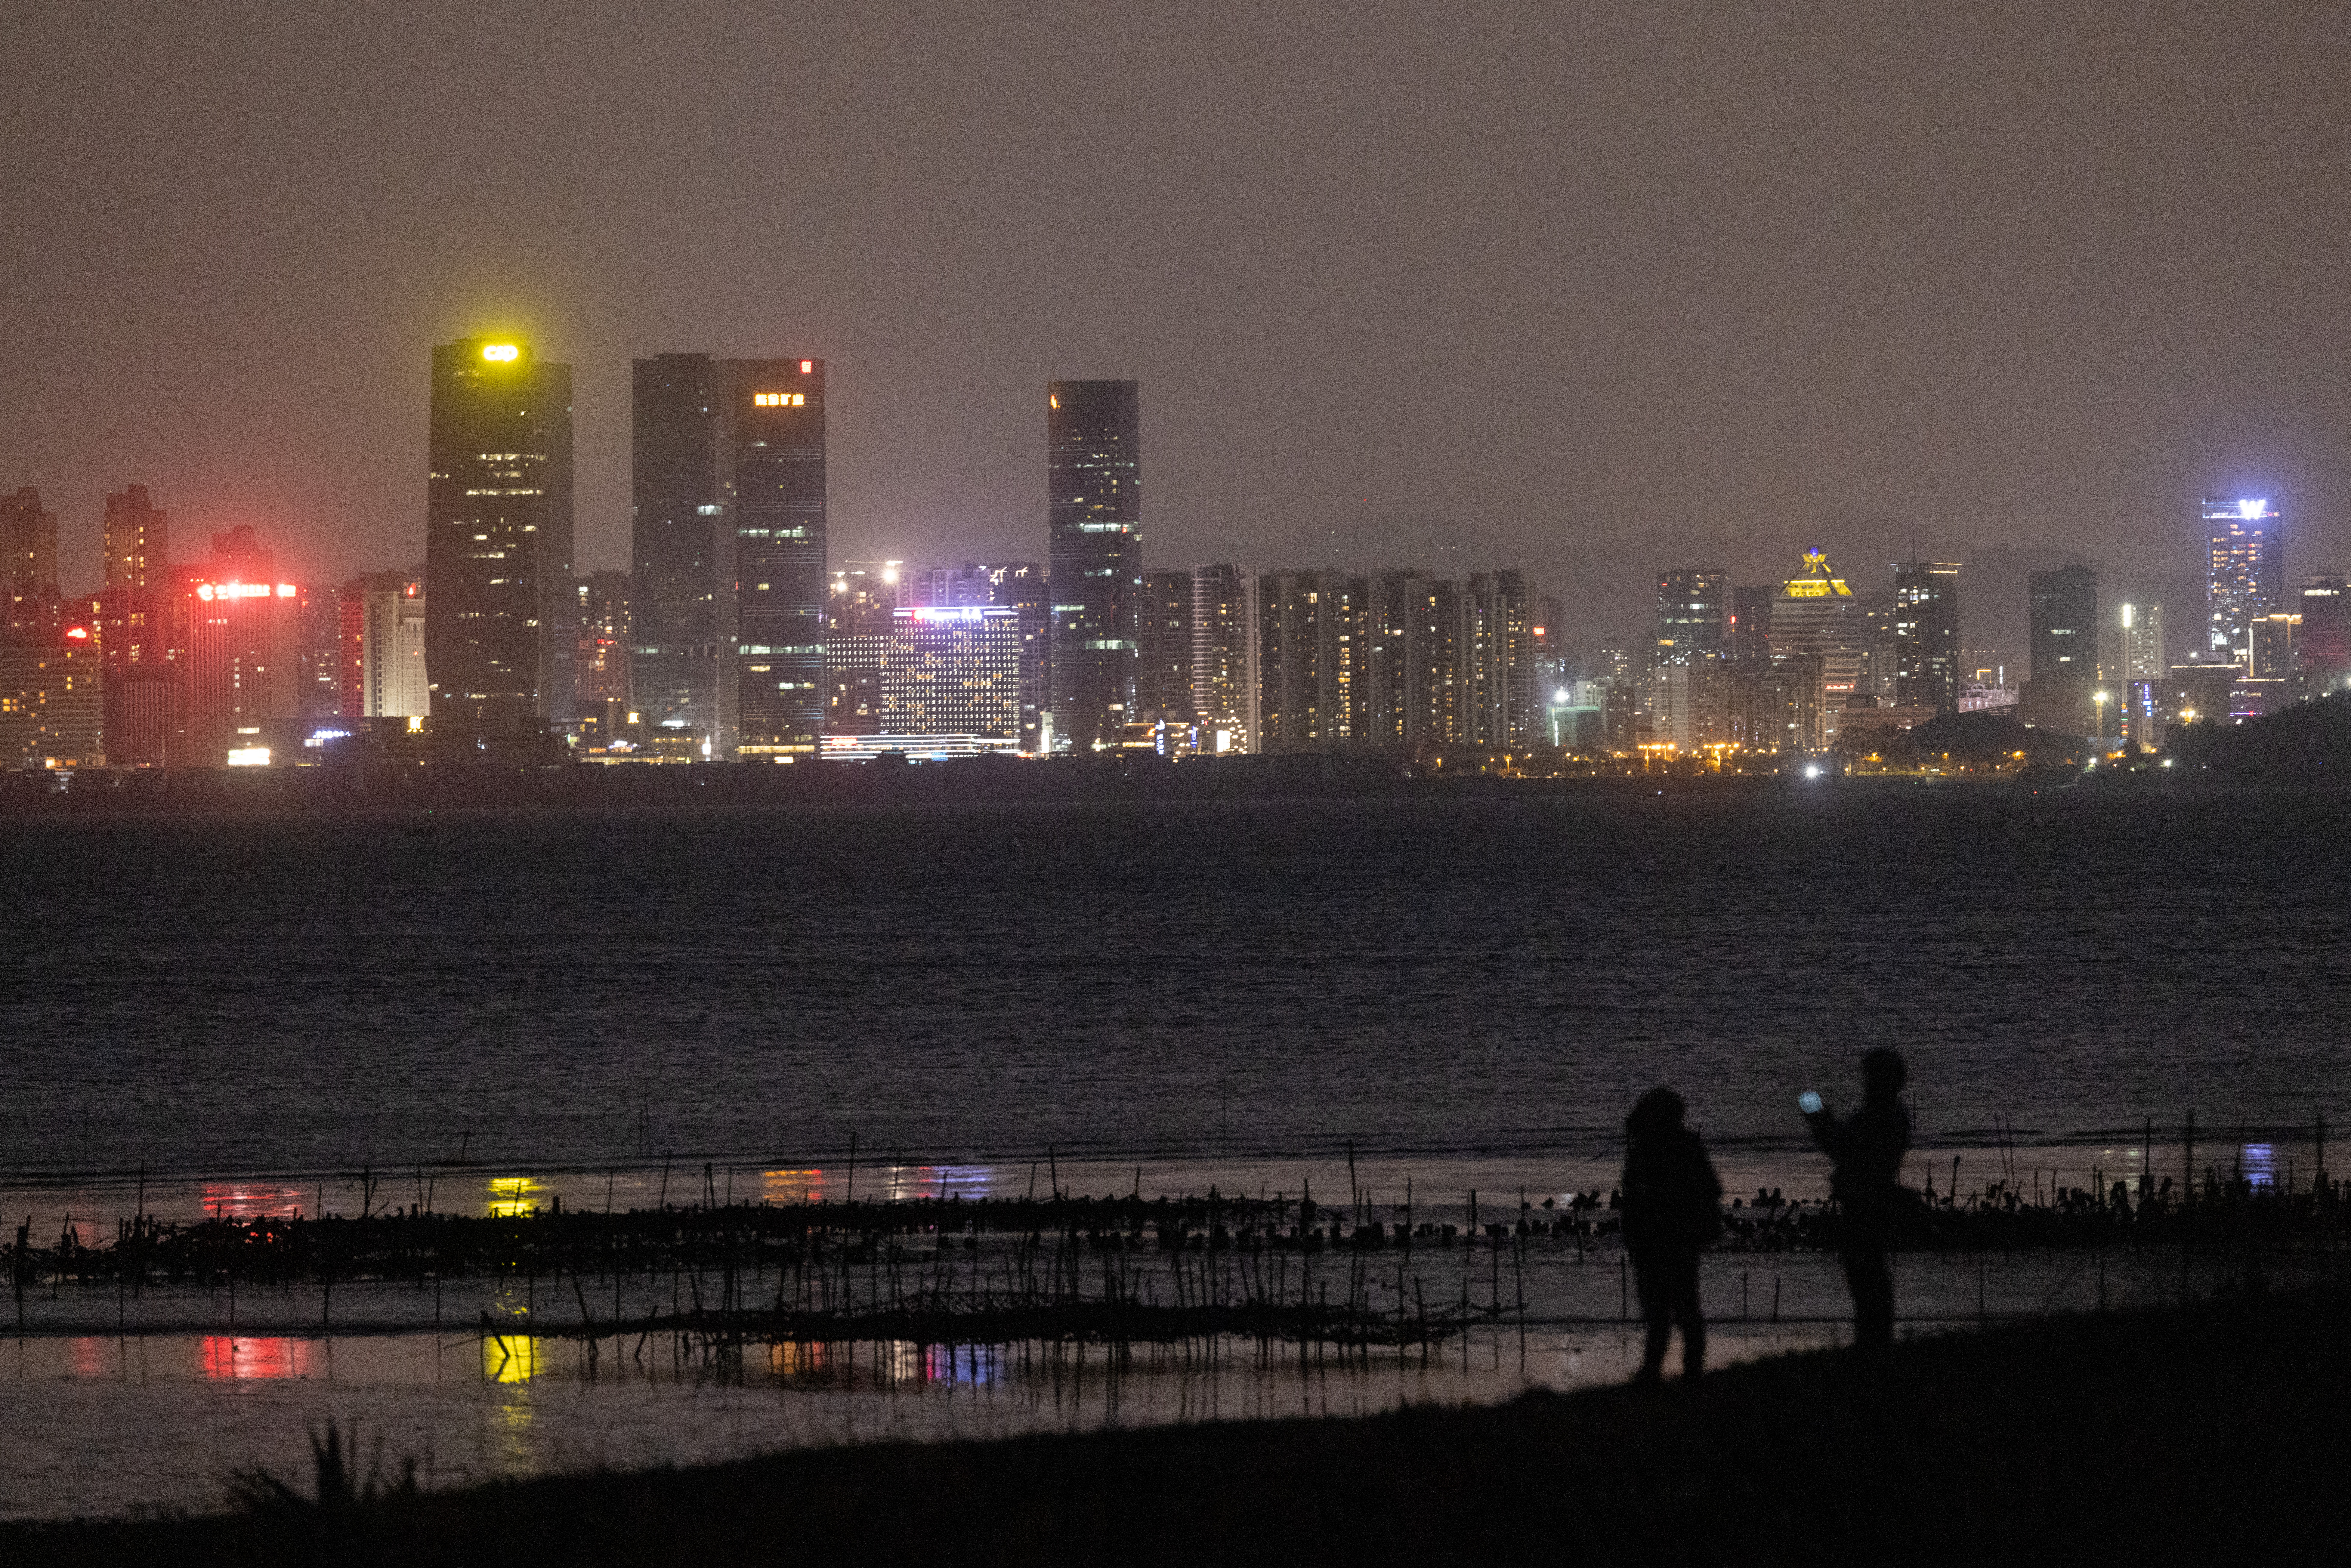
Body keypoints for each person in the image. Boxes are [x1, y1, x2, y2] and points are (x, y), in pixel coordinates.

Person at [1803, 1048, 1911, 1350]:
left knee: (1866, 1279)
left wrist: (1818, 1121)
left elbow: (1842, 1149)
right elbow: (1849, 1147)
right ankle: (1875, 1342)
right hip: (1872, 1200)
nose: (1866, 1082)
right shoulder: (1892, 1113)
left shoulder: (1877, 1115)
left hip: (1864, 1204)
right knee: (1871, 1277)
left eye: (1870, 1077)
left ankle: (1873, 1345)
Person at [1620, 1087, 1723, 1383]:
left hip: (1665, 1239)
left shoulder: (1653, 1148)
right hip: (1666, 1240)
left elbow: (1708, 1189)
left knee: (1670, 1311)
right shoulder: (1671, 1145)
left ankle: (1668, 1371)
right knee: (1677, 1310)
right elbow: (1712, 1189)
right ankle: (1677, 1371)